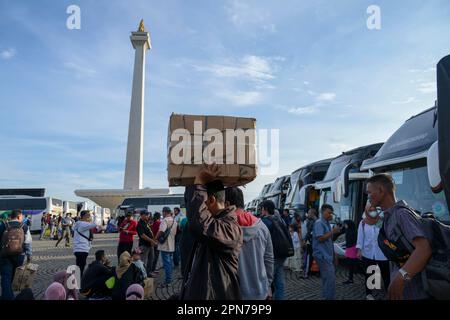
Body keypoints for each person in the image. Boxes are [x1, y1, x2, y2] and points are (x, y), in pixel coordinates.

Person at [180, 164, 243, 300]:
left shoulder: (231, 229)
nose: (201, 207)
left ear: (212, 200)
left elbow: (201, 225)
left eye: (203, 202)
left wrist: (198, 184)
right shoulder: (216, 225)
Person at [366, 174, 432, 300]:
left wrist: (401, 277)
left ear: (381, 190)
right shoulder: (388, 217)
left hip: (416, 293)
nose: (368, 197)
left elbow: (424, 249)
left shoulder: (402, 214)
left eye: (369, 192)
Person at [225, 187, 274, 300]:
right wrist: (268, 285)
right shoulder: (262, 227)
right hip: (260, 291)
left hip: (232, 293)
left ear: (226, 204)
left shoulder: (222, 229)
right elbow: (269, 258)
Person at [356, 201, 390, 300]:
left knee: (386, 274)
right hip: (368, 253)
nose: (372, 211)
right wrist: (359, 250)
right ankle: (369, 294)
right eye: (370, 210)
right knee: (370, 273)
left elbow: (387, 235)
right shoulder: (363, 223)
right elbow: (360, 237)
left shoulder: (381, 221)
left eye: (374, 209)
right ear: (366, 211)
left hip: (382, 253)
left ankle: (389, 292)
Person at [260, 200, 291, 300]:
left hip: (272, 255)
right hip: (282, 254)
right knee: (279, 282)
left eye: (261, 209)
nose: (261, 211)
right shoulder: (280, 220)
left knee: (266, 283)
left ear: (265, 209)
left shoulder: (265, 222)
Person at [0, 209, 32, 300]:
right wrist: (29, 255)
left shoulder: (3, 225)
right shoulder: (24, 226)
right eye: (21, 216)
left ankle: (7, 297)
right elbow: (28, 242)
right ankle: (10, 295)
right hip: (19, 255)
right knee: (15, 276)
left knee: (6, 277)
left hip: (5, 255)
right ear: (19, 216)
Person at [312, 204, 341, 300]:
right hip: (322, 255)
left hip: (327, 255)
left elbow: (329, 241)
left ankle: (327, 297)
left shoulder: (327, 223)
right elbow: (320, 238)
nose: (331, 215)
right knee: (329, 279)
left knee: (327, 279)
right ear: (322, 212)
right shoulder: (319, 223)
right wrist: (333, 231)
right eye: (329, 213)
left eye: (331, 213)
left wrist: (334, 255)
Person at [155, 207, 177, 286]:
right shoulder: (174, 220)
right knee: (170, 263)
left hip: (165, 245)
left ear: (164, 212)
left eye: (163, 212)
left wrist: (155, 239)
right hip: (172, 245)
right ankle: (170, 278)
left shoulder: (165, 220)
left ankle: (168, 280)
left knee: (167, 263)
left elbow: (161, 231)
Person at [73, 210, 98, 276]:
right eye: (88, 215)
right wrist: (95, 215)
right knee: (81, 266)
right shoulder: (83, 224)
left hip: (77, 248)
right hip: (82, 248)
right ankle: (79, 281)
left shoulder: (78, 223)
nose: (89, 216)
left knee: (79, 265)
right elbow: (95, 224)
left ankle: (78, 280)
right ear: (84, 216)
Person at [136, 210, 157, 276]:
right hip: (144, 245)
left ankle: (148, 273)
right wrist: (151, 240)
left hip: (150, 245)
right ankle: (142, 274)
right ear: (142, 215)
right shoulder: (140, 224)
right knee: (143, 260)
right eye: (146, 215)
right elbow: (142, 235)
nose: (148, 216)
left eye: (148, 215)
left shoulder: (146, 222)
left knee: (151, 259)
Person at [340, 220, 358, 285]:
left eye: (345, 224)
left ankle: (351, 279)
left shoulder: (354, 231)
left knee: (352, 264)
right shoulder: (348, 230)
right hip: (348, 248)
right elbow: (341, 231)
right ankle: (350, 278)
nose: (345, 225)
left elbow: (355, 241)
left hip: (352, 248)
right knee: (350, 264)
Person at [303, 208, 318, 278]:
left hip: (311, 241)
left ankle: (307, 273)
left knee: (309, 256)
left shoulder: (313, 221)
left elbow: (309, 232)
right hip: (314, 241)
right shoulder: (314, 220)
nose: (308, 214)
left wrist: (305, 240)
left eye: (309, 213)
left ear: (312, 214)